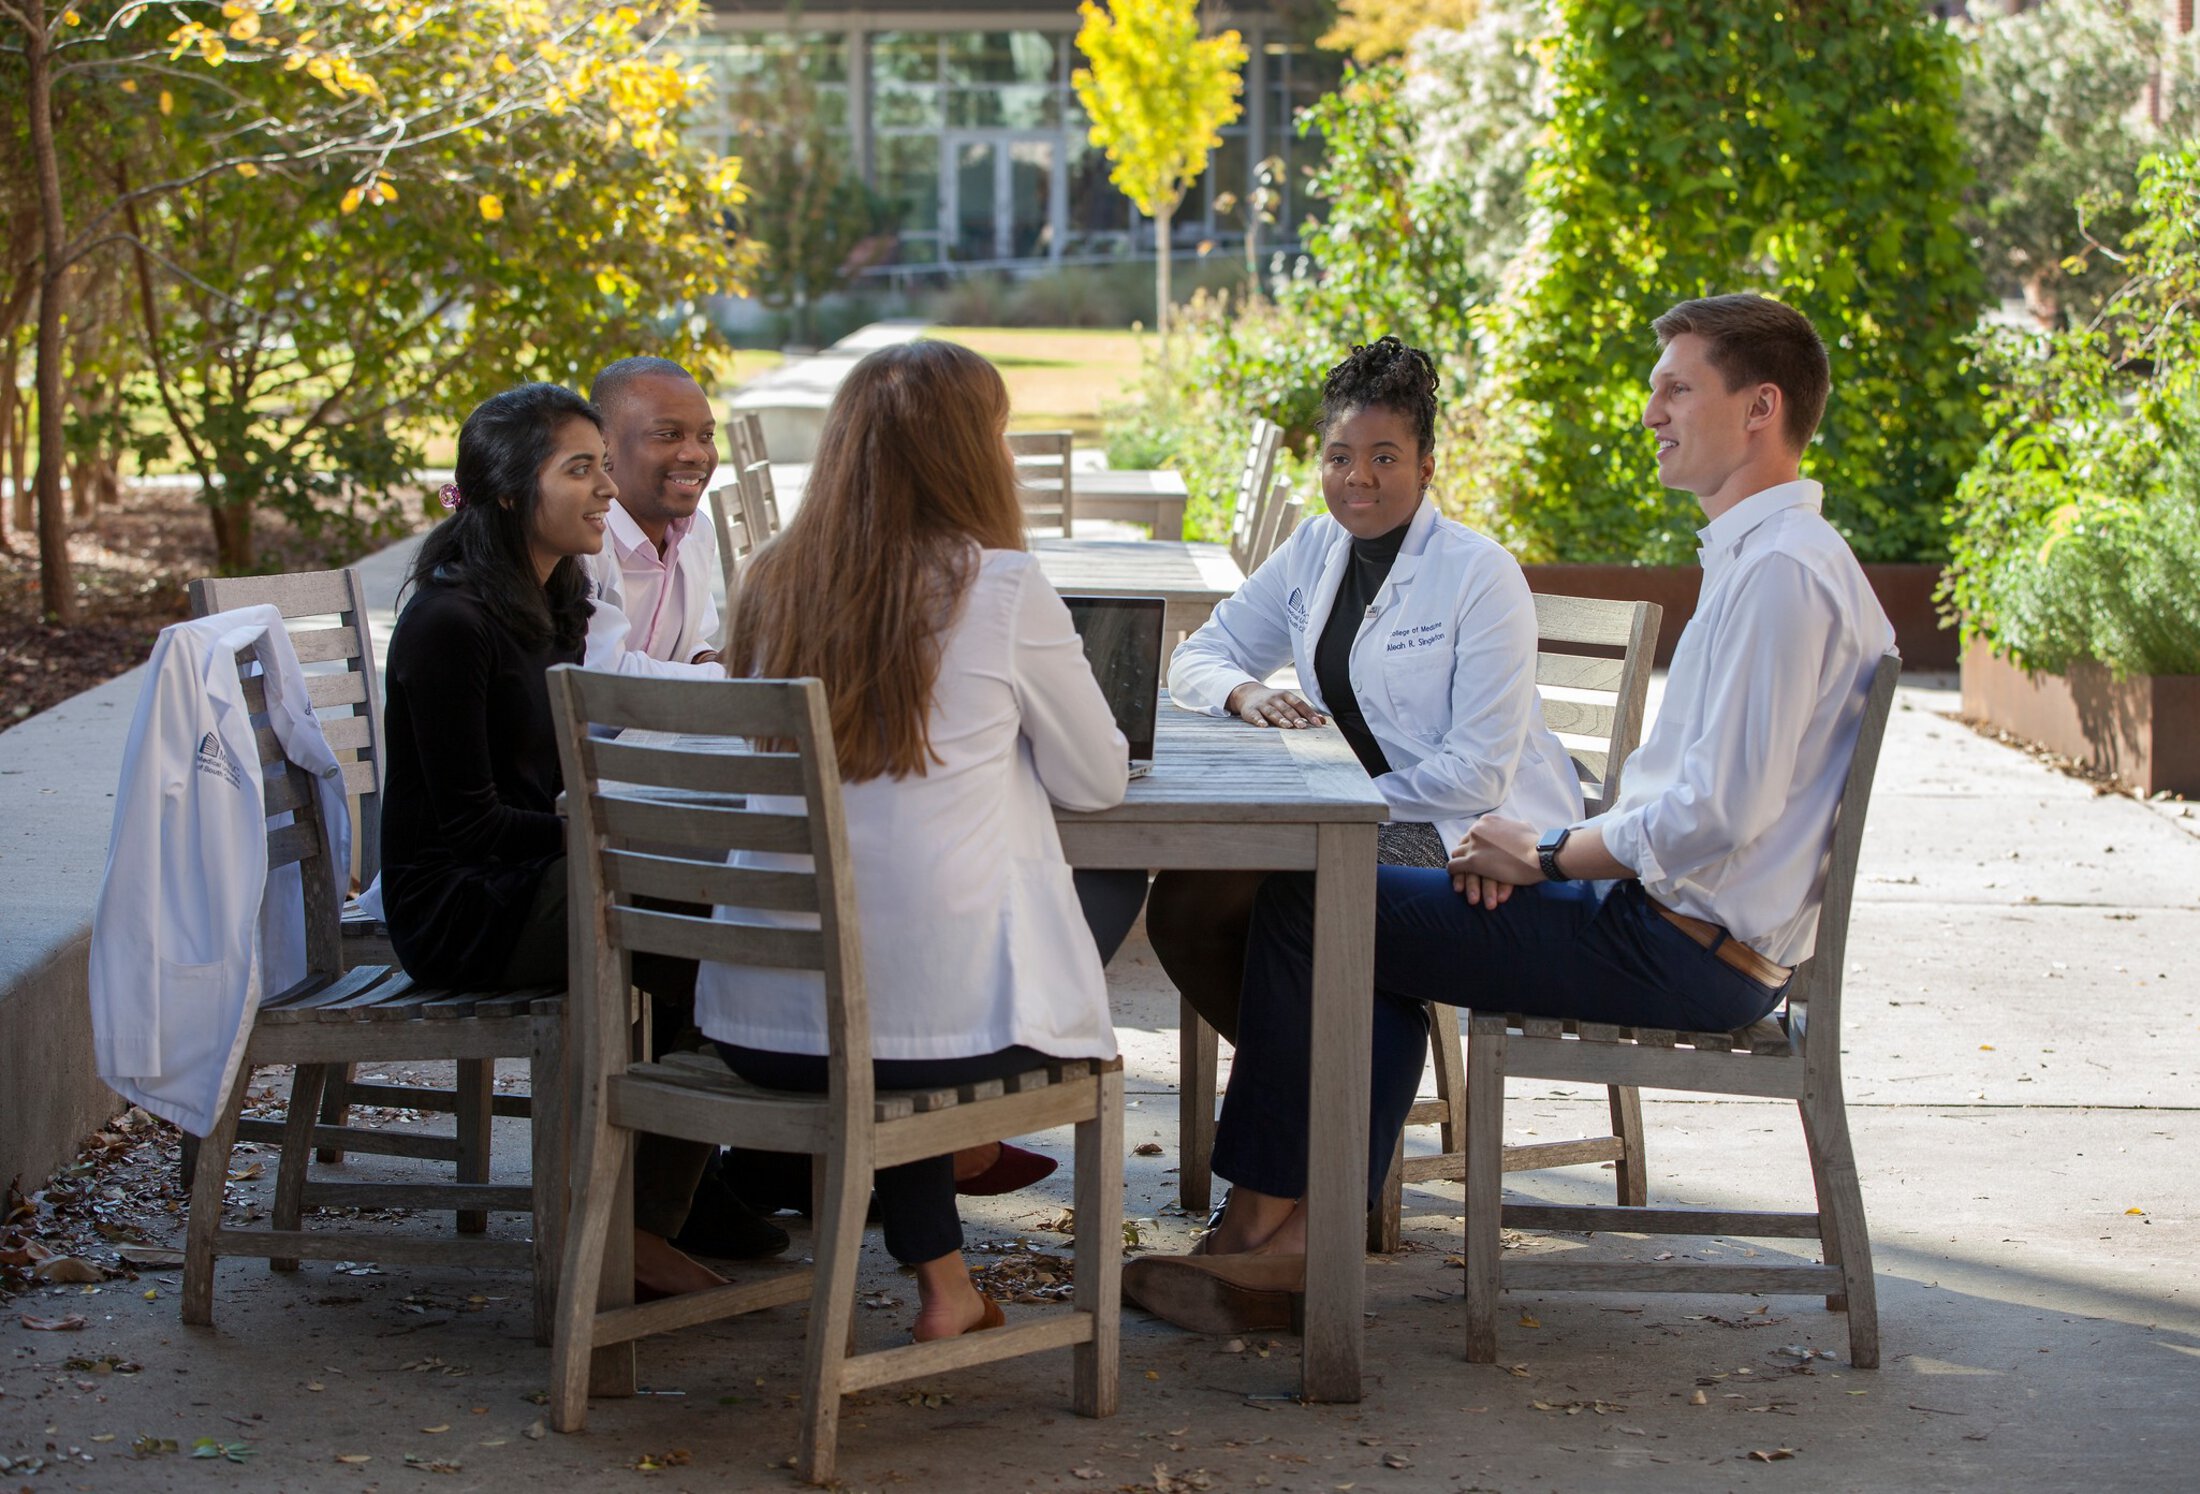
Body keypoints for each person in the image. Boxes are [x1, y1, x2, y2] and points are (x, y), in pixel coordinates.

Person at [1124, 293, 1897, 1334]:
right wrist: (1545, 854)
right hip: (1660, 918)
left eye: (1675, 388)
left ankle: (1271, 1231)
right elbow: (1698, 802)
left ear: (1758, 408)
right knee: (1357, 922)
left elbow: (1719, 814)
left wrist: (1549, 851)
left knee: (1320, 915)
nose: (1649, 410)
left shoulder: (1781, 577)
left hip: (1680, 945)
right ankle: (1292, 1237)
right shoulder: (1766, 562)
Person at [694, 339, 1143, 1343]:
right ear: (969, 454)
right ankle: (961, 1145)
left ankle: (944, 1280)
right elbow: (1097, 780)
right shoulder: (999, 583)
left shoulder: (769, 581)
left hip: (754, 1023)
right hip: (915, 1036)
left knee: (900, 990)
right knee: (1092, 880)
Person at [378, 382, 724, 1300]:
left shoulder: (555, 596)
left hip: (538, 872)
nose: (606, 489)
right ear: (504, 491)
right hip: (463, 908)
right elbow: (471, 827)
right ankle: (640, 1223)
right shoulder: (448, 625)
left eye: (604, 466)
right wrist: (604, 828)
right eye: (582, 469)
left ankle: (669, 1206)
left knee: (725, 902)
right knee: (711, 921)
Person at [1148, 335, 1582, 1046]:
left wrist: (1334, 804)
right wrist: (1244, 693)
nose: (1359, 478)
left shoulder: (1480, 574)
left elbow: (1478, 772)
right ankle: (1317, 1095)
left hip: (1472, 838)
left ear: (1426, 467)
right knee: (1185, 907)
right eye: (1340, 457)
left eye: (1385, 457)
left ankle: (1333, 1103)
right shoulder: (1314, 548)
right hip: (1357, 818)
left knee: (1239, 899)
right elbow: (1200, 655)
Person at [581, 356, 727, 678]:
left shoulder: (695, 531)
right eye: (669, 434)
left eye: (706, 436)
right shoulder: (583, 541)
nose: (697, 454)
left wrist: (710, 659)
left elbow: (687, 643)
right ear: (604, 445)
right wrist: (732, 679)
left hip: (659, 725)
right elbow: (606, 673)